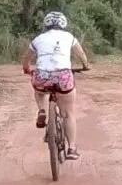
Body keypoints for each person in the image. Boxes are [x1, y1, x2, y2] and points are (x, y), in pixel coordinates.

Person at [22, 10, 91, 160]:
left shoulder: (38, 39)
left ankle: (42, 110)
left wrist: (26, 68)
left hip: (43, 77)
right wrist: (85, 65)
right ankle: (71, 148)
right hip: (63, 77)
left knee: (39, 90)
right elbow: (81, 55)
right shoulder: (69, 37)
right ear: (64, 24)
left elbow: (26, 58)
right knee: (68, 113)